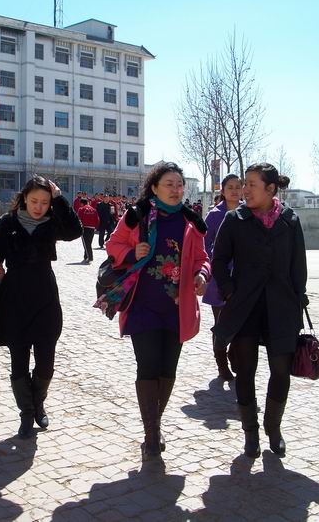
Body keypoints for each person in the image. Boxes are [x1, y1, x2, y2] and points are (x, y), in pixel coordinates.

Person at [98, 161, 211, 460]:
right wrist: (131, 252)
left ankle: (154, 424)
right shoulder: (137, 215)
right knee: (147, 367)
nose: (176, 190)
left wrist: (202, 274)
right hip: (142, 305)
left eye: (179, 185)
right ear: (154, 188)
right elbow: (113, 244)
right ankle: (151, 435)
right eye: (169, 184)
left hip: (176, 307)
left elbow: (202, 257)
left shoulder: (191, 221)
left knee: (167, 370)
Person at [211, 163, 307, 458]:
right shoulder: (234, 220)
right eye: (244, 184)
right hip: (245, 307)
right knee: (245, 370)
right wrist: (229, 291)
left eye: (252, 184)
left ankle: (273, 427)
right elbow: (218, 259)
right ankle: (250, 432)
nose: (245, 190)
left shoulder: (290, 221)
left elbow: (298, 266)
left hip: (281, 308)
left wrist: (297, 299)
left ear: (271, 188)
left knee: (281, 370)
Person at [0, 176, 82, 439]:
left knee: (46, 361)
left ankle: (38, 403)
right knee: (19, 361)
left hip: (45, 296)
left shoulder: (52, 222)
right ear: (24, 198)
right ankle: (26, 413)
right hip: (14, 297)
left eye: (45, 202)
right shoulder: (8, 223)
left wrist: (59, 200)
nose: (39, 207)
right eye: (34, 201)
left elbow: (75, 231)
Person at [202, 174, 242, 381]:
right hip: (219, 277)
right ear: (223, 191)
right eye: (230, 187)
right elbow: (204, 244)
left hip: (243, 277)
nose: (234, 191)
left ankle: (236, 357)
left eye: (238, 187)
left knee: (242, 323)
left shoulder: (249, 212)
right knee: (221, 324)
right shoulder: (214, 215)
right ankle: (221, 364)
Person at [77, 198, 99, 263]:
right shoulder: (94, 210)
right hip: (92, 228)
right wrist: (96, 227)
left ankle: (90, 257)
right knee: (89, 243)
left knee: (86, 243)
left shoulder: (81, 209)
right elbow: (97, 219)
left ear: (81, 203)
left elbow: (78, 219)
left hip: (85, 227)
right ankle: (86, 256)